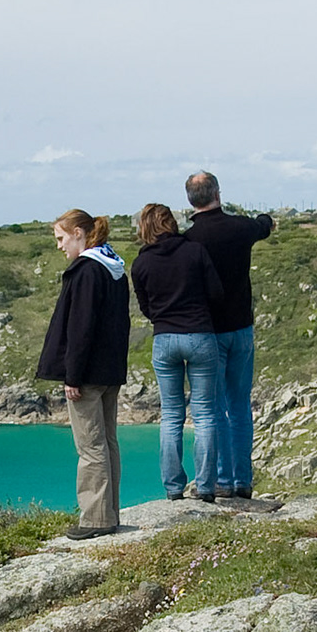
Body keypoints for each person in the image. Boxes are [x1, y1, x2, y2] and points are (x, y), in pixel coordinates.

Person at [36, 209, 131, 539]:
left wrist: (72, 375)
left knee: (90, 446)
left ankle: (96, 518)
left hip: (87, 374)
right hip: (110, 370)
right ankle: (110, 511)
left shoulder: (86, 271)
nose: (59, 246)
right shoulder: (114, 267)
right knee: (108, 442)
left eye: (61, 238)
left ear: (78, 233)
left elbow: (80, 327)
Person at [184, 171, 274, 498]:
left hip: (209, 331)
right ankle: (243, 480)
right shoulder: (240, 228)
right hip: (242, 328)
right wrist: (264, 218)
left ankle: (222, 480)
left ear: (190, 200)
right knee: (239, 406)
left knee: (214, 408)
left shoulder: (190, 239)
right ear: (217, 194)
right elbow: (264, 225)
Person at [129, 202, 227, 502]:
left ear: (144, 227)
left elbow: (145, 305)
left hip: (165, 337)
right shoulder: (195, 251)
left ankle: (173, 488)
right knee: (204, 413)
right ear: (171, 223)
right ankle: (206, 486)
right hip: (200, 334)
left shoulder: (141, 263)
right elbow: (216, 293)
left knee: (171, 415)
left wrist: (162, 316)